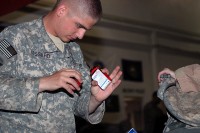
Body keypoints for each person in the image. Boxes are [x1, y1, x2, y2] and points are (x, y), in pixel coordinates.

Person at [0, 0, 123, 132]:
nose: (81, 35)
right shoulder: (16, 37)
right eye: (79, 25)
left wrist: (95, 99)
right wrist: (43, 83)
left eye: (86, 30)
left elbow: (76, 106)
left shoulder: (74, 52)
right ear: (61, 11)